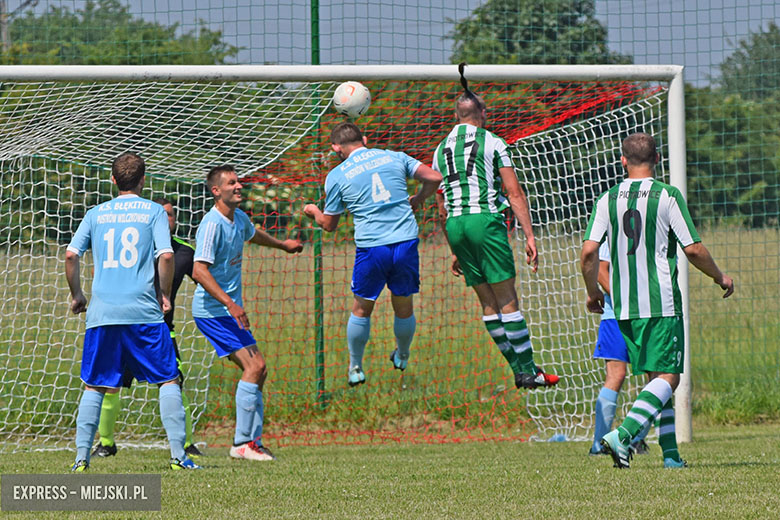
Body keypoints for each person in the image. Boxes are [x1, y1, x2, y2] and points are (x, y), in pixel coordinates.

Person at [581, 132, 734, 469]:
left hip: (622, 307)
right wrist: (719, 276)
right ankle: (624, 435)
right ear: (658, 159)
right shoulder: (667, 196)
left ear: (623, 161)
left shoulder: (607, 199)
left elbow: (589, 251)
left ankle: (670, 455)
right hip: (660, 303)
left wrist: (593, 292)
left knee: (656, 380)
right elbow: (692, 248)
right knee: (668, 378)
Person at [65, 152, 199, 471]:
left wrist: (77, 296)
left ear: (113, 180)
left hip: (103, 312)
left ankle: (81, 459)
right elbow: (166, 256)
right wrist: (164, 294)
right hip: (143, 310)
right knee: (167, 378)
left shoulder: (96, 213)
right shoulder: (153, 211)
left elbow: (71, 255)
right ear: (143, 180)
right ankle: (179, 457)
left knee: (95, 384)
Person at [433, 64, 559, 390]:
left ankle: (521, 371)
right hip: (484, 221)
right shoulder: (493, 142)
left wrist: (454, 246)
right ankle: (529, 369)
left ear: (456, 116)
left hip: (456, 225)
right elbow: (514, 192)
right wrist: (530, 235)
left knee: (487, 304)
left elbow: (441, 201)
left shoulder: (440, 150)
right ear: (482, 113)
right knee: (507, 299)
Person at [303, 122, 442, 386]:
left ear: (336, 148)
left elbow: (329, 226)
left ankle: (355, 367)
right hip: (405, 243)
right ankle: (402, 355)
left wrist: (313, 212)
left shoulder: (337, 174)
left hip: (372, 247)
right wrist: (419, 199)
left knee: (361, 309)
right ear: (364, 139)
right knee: (403, 306)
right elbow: (434, 178)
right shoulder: (394, 156)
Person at [192, 165, 303, 461]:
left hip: (226, 311)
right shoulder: (212, 224)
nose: (239, 186)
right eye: (232, 183)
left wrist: (282, 245)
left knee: (259, 369)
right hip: (213, 312)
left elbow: (253, 234)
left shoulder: (238, 218)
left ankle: (252, 441)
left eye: (239, 181)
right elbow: (198, 270)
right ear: (216, 191)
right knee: (255, 368)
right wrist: (230, 303)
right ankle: (242, 443)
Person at [91, 197, 203, 460]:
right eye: (162, 214)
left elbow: (205, 279)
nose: (167, 219)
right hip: (125, 327)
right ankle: (106, 443)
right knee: (110, 384)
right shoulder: (133, 247)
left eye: (171, 215)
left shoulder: (184, 253)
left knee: (174, 382)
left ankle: (185, 444)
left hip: (161, 331)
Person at [589, 241, 650, 456]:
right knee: (616, 374)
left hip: (648, 313)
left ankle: (636, 440)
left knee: (657, 377)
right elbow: (601, 271)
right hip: (616, 314)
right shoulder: (613, 226)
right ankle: (599, 444)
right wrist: (626, 301)